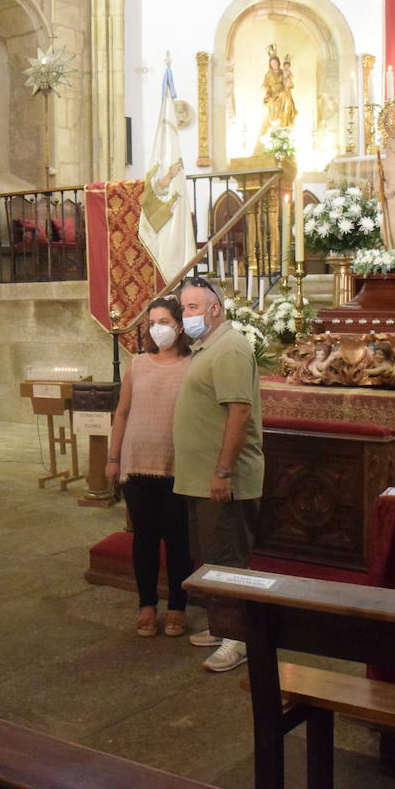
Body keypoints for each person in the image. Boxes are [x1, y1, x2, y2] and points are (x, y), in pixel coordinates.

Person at [172, 276, 264, 673]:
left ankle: (239, 639)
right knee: (213, 558)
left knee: (228, 559)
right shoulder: (207, 347)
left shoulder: (229, 348)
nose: (185, 316)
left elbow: (239, 413)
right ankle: (223, 624)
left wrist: (223, 471)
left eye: (192, 307)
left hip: (222, 478)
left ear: (215, 309)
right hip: (199, 477)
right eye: (183, 308)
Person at [105, 297, 193, 638]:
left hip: (176, 465)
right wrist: (113, 458)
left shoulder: (192, 365)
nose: (158, 329)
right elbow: (123, 412)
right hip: (137, 462)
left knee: (177, 541)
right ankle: (145, 604)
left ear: (179, 326)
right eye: (153, 322)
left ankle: (176, 607)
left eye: (164, 322)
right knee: (143, 539)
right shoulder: (138, 363)